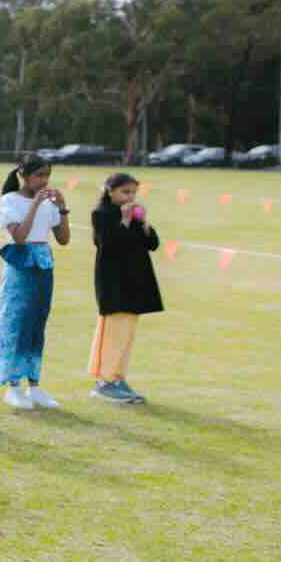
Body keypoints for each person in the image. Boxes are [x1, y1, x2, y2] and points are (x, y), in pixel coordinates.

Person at [0, 153, 70, 410]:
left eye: (47, 175)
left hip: (43, 262)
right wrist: (36, 204)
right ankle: (12, 386)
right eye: (38, 175)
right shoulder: (9, 201)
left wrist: (61, 208)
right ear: (24, 176)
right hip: (21, 263)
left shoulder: (49, 203)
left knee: (38, 322)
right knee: (17, 321)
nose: (43, 180)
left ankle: (34, 385)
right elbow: (20, 238)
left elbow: (63, 239)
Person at [88, 171, 161, 404]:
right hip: (113, 281)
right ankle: (104, 382)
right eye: (125, 192)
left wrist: (143, 222)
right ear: (111, 191)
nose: (130, 197)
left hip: (135, 281)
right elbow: (107, 243)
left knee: (126, 334)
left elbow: (152, 244)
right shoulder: (101, 214)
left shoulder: (133, 214)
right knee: (112, 331)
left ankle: (118, 378)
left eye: (133, 192)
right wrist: (125, 220)